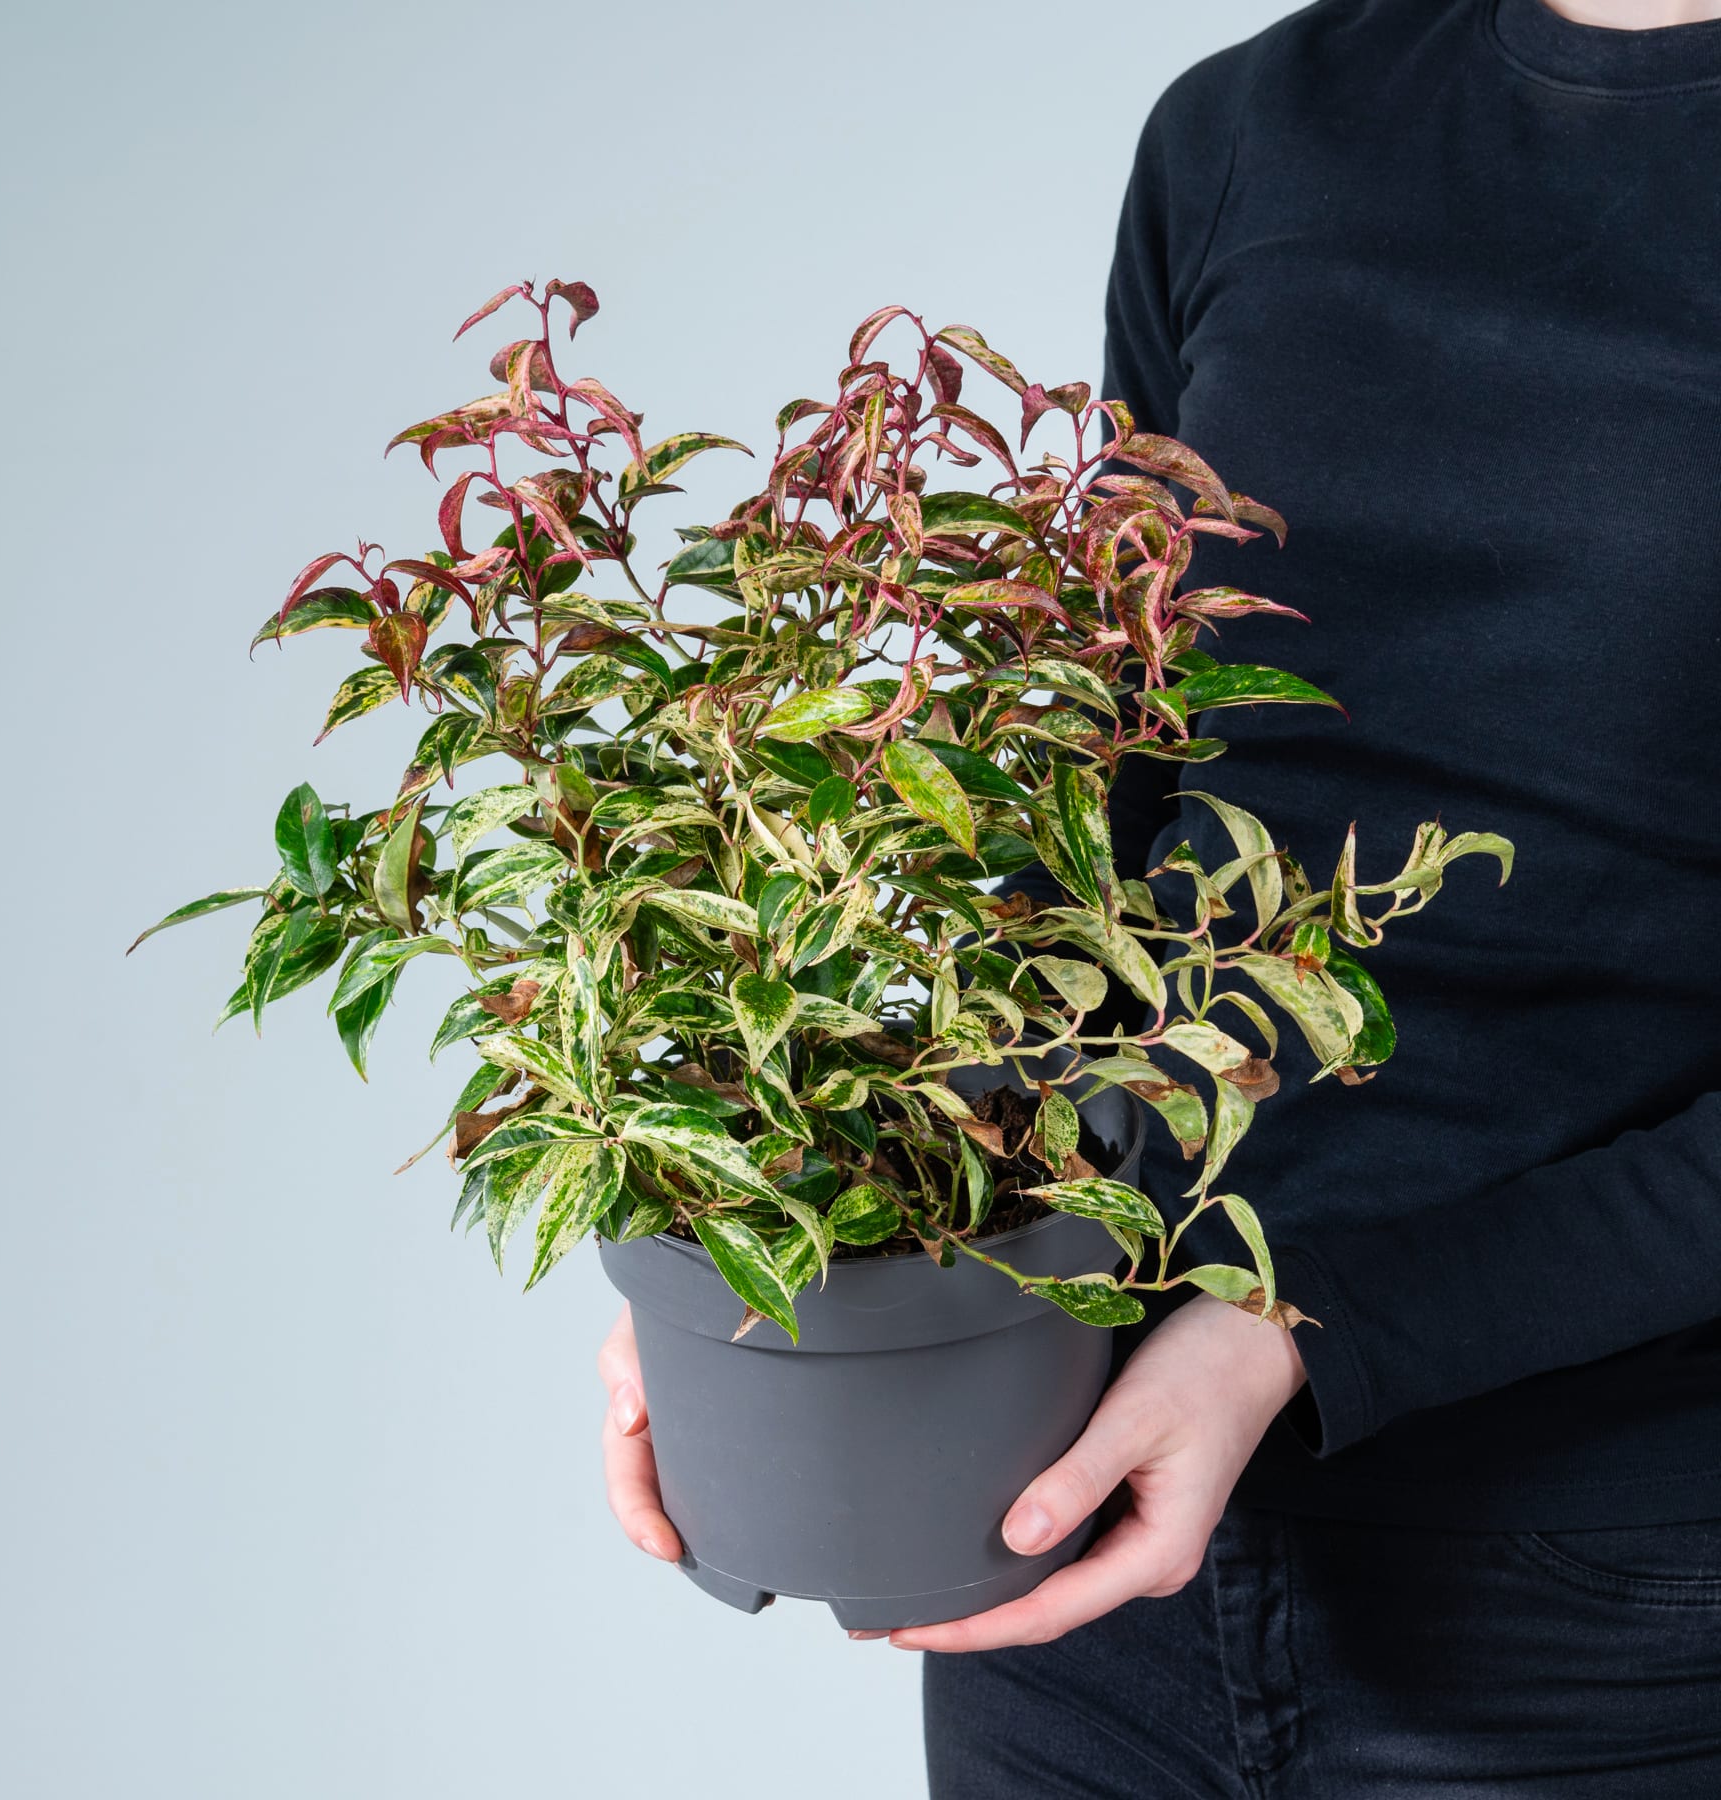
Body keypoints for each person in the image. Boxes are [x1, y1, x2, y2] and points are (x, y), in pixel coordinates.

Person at [600, 0, 1721, 1790]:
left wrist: (1308, 1334)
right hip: (1083, 1515)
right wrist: (789, 1223)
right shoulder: (1258, 128)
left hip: (1608, 1599)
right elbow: (1115, 807)